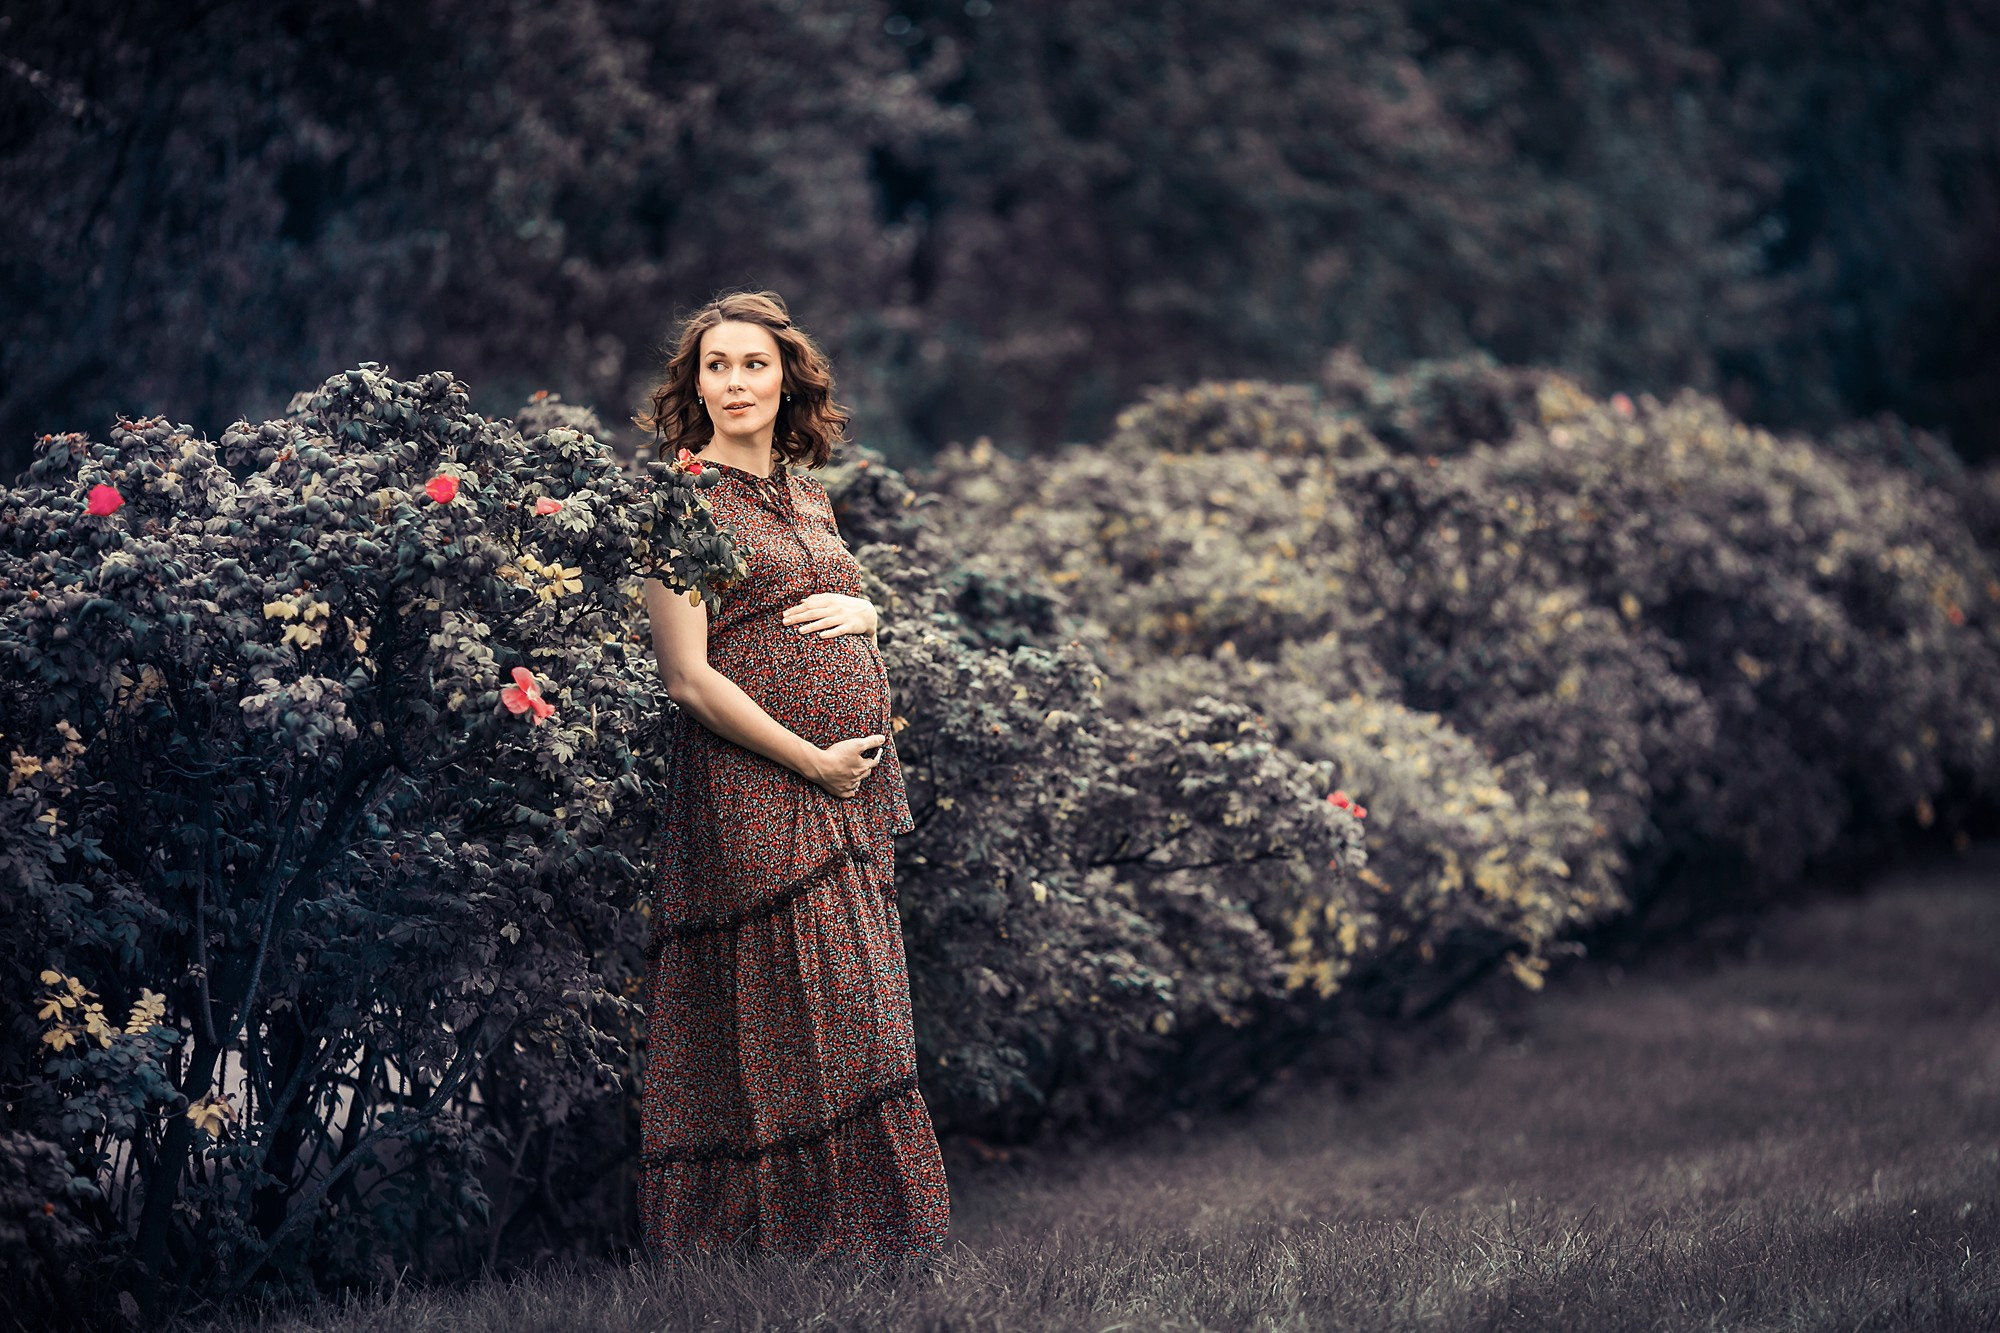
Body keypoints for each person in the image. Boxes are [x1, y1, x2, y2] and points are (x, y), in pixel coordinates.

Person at [632, 290, 950, 1269]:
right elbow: (687, 675)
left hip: (841, 790)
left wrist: (868, 619)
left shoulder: (809, 494)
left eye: (752, 364)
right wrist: (809, 757)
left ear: (786, 380)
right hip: (755, 785)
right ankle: (777, 1246)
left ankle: (869, 1245)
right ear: (695, 384)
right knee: (796, 1009)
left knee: (859, 1008)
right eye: (715, 365)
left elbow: (826, 602)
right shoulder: (677, 504)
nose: (734, 380)